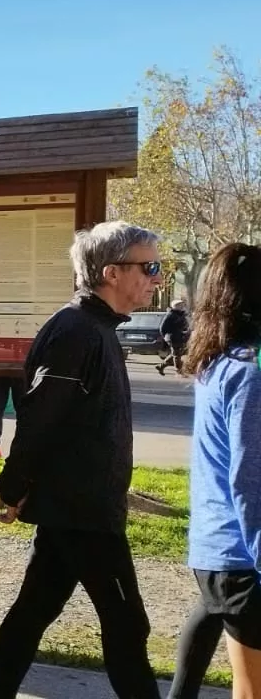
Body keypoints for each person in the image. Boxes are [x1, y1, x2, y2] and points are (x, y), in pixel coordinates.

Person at [0, 221, 164, 699]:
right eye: (149, 267)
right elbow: (41, 417)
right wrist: (13, 485)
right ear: (111, 273)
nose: (157, 278)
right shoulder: (75, 331)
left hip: (80, 506)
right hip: (82, 510)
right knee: (127, 623)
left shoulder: (96, 327)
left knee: (34, 610)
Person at [166, 243, 261, 699]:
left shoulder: (219, 361)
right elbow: (250, 479)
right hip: (242, 557)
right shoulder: (249, 371)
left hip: (217, 550)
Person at [158, 298, 191, 376]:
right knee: (177, 355)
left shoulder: (181, 314)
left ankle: (161, 366)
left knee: (176, 353)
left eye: (182, 305)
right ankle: (179, 371)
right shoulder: (170, 315)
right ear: (175, 306)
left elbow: (184, 325)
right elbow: (162, 327)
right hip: (172, 337)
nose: (182, 306)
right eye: (179, 305)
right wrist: (165, 337)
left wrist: (186, 330)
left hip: (180, 337)